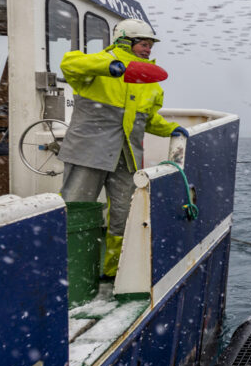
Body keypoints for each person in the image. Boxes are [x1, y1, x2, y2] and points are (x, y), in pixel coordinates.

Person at [58, 18, 188, 277]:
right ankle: (68, 271)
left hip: (126, 157)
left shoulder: (149, 82)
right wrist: (110, 66)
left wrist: (170, 129)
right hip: (88, 153)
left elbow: (148, 119)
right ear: (123, 42)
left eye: (150, 44)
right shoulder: (96, 66)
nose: (148, 48)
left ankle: (112, 272)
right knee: (75, 209)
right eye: (143, 43)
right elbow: (69, 63)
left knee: (124, 216)